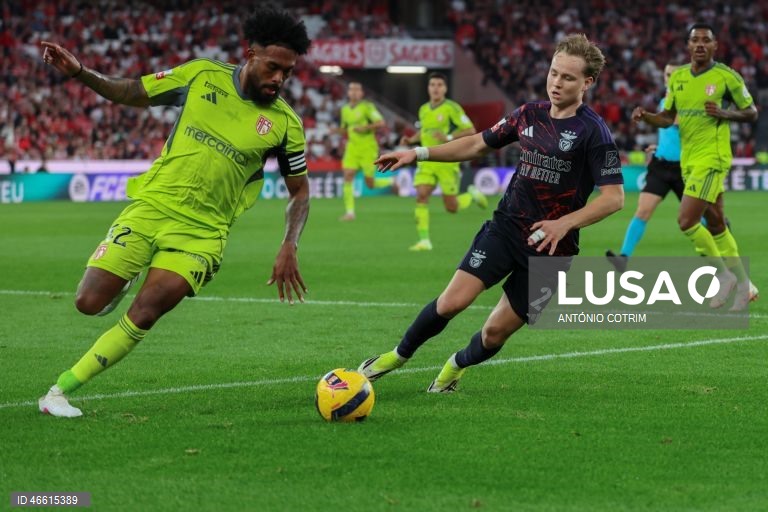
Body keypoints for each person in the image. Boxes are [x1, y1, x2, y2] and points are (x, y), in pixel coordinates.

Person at [37, 5, 312, 417]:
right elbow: (131, 91)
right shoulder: (202, 75)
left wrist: (290, 242)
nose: (279, 79)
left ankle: (59, 391)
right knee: (88, 302)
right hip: (152, 206)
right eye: (273, 67)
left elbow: (300, 191)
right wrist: (80, 72)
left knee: (146, 311)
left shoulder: (285, 125)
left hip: (202, 233)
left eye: (287, 73)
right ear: (249, 53)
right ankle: (121, 279)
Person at [358, 34, 624, 392]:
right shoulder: (529, 114)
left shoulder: (595, 133)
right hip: (506, 228)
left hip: (551, 249)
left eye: (568, 77)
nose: (556, 82)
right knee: (452, 302)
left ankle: (454, 366)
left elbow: (614, 198)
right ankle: (395, 357)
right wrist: (418, 153)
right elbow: (476, 143)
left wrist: (565, 223)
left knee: (495, 333)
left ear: (587, 82)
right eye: (554, 73)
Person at [631, 23, 758, 311]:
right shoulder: (678, 79)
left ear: (715, 46)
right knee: (715, 221)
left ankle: (723, 276)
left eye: (706, 40)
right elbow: (668, 117)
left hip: (712, 157)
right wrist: (647, 117)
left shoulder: (726, 76)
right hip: (689, 160)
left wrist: (724, 112)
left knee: (686, 220)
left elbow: (751, 113)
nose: (700, 44)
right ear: (688, 46)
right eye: (695, 40)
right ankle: (744, 285)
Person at [399, 72, 487, 251]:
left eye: (439, 85)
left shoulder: (451, 108)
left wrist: (448, 136)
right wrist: (411, 140)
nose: (436, 88)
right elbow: (425, 132)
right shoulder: (424, 109)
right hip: (426, 158)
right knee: (421, 195)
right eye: (432, 85)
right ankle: (424, 241)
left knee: (451, 207)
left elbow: (470, 130)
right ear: (428, 88)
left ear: (445, 88)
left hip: (446, 159)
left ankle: (471, 195)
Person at [607, 63, 683, 271]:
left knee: (694, 219)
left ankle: (719, 240)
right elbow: (671, 131)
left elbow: (676, 125)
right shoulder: (664, 100)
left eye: (673, 75)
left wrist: (648, 117)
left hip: (684, 168)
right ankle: (623, 257)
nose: (668, 78)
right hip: (660, 165)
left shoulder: (686, 101)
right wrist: (661, 147)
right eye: (666, 74)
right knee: (642, 211)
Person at [336, 81, 393, 221]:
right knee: (348, 175)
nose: (354, 92)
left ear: (361, 93)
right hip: (352, 148)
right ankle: (350, 212)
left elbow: (381, 123)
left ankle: (391, 181)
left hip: (368, 148)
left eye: (357, 90)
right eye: (351, 89)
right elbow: (345, 128)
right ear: (348, 93)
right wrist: (336, 131)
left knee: (370, 184)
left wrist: (365, 128)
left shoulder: (367, 107)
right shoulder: (345, 109)